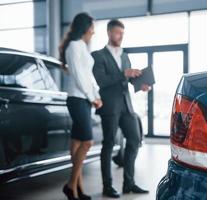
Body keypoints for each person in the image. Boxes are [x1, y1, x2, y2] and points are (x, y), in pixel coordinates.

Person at [92, 19, 150, 198]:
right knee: (108, 144)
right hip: (109, 106)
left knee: (134, 140)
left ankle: (129, 183)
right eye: (118, 33)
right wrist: (124, 74)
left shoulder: (125, 56)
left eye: (123, 34)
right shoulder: (98, 55)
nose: (121, 37)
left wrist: (139, 84)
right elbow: (101, 81)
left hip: (126, 105)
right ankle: (107, 186)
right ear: (109, 33)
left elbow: (127, 80)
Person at [59, 12, 102, 200]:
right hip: (77, 99)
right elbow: (77, 75)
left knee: (77, 142)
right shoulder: (74, 47)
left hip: (84, 99)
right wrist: (90, 97)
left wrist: (96, 95)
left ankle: (77, 189)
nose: (94, 31)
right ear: (85, 27)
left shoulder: (83, 46)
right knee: (87, 142)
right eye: (92, 27)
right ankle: (70, 185)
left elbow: (88, 75)